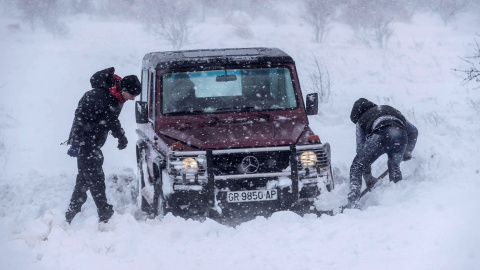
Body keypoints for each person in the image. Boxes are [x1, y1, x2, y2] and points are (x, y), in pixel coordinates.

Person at [65, 67, 141, 223]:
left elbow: (111, 119)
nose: (133, 99)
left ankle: (71, 214)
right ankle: (104, 211)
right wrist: (75, 142)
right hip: (86, 143)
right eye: (132, 95)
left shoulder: (114, 96)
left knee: (84, 180)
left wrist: (121, 137)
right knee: (95, 177)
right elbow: (80, 118)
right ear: (125, 89)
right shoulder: (99, 96)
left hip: (92, 143)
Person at [346, 98, 418, 209]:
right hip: (401, 136)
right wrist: (408, 151)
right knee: (394, 167)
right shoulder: (391, 110)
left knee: (357, 166)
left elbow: (360, 150)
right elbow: (413, 131)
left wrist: (368, 176)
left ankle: (353, 202)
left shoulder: (361, 120)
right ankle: (397, 197)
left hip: (381, 136)